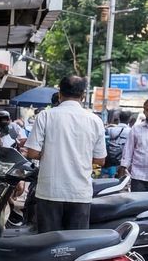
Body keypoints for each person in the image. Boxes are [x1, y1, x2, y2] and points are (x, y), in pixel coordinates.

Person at [25, 75, 106, 232]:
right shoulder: (95, 120)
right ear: (83, 95)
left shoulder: (45, 116)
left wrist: (51, 154)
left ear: (59, 94)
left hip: (50, 191)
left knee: (49, 241)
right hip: (79, 193)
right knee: (76, 243)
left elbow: (32, 153)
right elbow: (100, 160)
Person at [119, 99, 148, 191]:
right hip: (139, 178)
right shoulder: (136, 129)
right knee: (138, 200)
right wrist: (122, 171)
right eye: (147, 110)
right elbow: (127, 152)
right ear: (144, 112)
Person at [103, 110, 133, 179]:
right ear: (129, 119)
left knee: (109, 176)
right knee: (122, 177)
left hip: (110, 157)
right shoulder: (131, 131)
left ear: (119, 118)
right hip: (123, 158)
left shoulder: (110, 129)